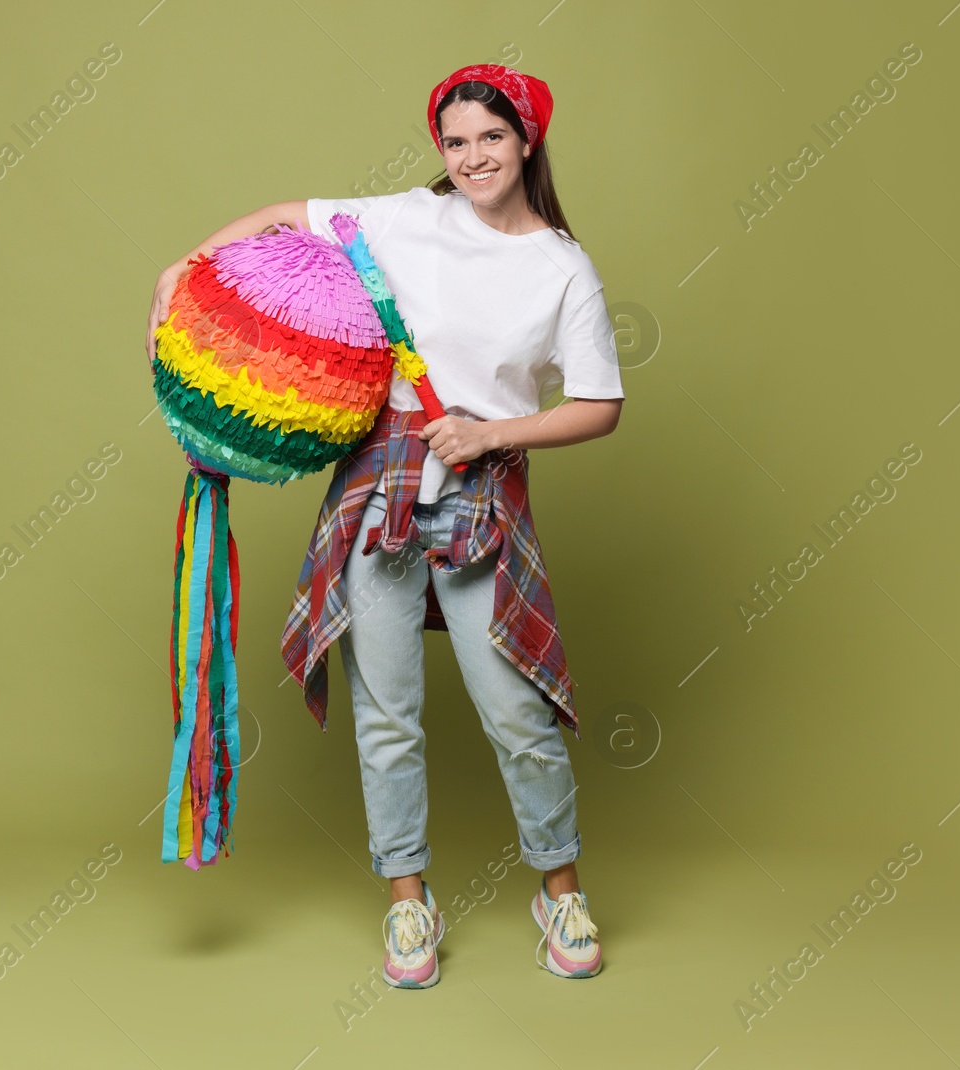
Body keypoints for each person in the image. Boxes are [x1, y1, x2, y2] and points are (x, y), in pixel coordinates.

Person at [145, 64, 623, 987]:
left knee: (517, 715)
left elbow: (599, 404)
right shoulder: (405, 217)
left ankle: (559, 889)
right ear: (440, 149)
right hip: (378, 490)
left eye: (491, 137)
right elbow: (284, 215)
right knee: (387, 716)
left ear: (527, 142)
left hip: (482, 494)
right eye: (456, 141)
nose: (473, 156)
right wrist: (183, 263)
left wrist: (493, 432)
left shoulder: (563, 266)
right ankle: (409, 903)